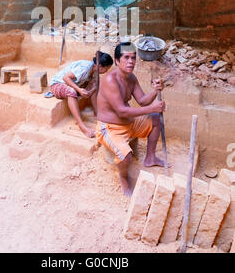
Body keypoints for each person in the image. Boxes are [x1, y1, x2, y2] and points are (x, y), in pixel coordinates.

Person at [96, 42, 166, 197]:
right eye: (126, 58)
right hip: (110, 128)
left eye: (133, 58)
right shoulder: (110, 80)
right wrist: (153, 108)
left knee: (155, 119)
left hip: (129, 124)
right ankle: (124, 178)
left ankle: (150, 157)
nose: (131, 61)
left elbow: (143, 101)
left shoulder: (131, 78)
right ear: (116, 61)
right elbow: (121, 111)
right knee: (126, 156)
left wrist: (155, 91)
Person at [50, 51, 113, 138]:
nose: (106, 71)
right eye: (107, 68)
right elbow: (66, 78)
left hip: (71, 84)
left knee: (94, 85)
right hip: (57, 85)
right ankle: (81, 126)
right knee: (71, 91)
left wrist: (90, 91)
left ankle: (96, 113)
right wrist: (79, 90)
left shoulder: (94, 70)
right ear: (100, 66)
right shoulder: (85, 67)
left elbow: (94, 87)